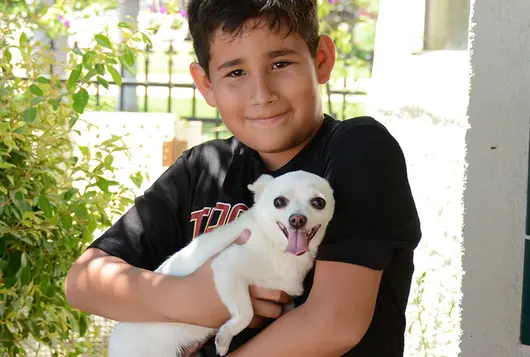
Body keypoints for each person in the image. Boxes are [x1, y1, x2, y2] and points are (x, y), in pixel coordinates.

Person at [64, 0, 422, 356]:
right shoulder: (203, 168)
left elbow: (334, 324)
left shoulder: (357, 149)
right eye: (236, 73)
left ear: (322, 60)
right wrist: (190, 298)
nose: (262, 95)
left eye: (280, 63)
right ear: (205, 84)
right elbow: (83, 282)